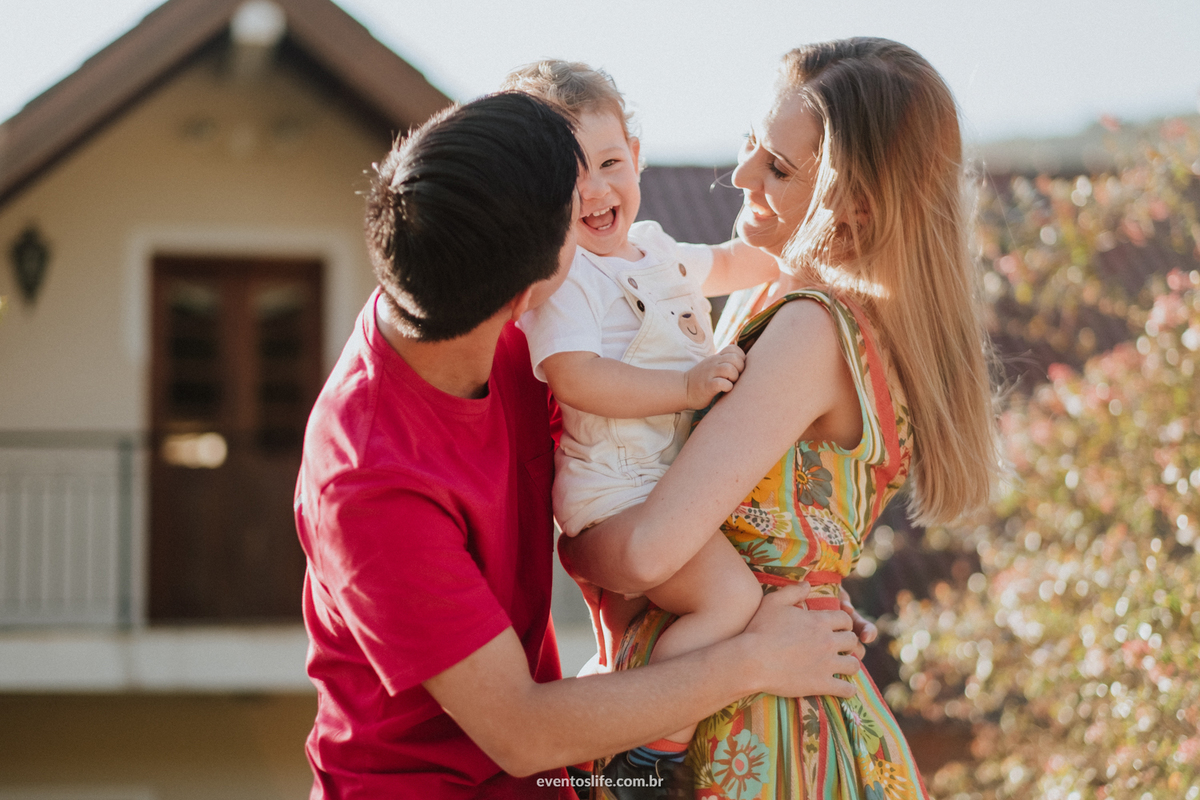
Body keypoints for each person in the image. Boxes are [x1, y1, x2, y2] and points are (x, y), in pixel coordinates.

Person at [294, 91, 871, 800]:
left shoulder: (465, 297)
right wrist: (755, 658)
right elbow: (520, 731)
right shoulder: (372, 484)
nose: (599, 206)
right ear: (536, 290)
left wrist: (789, 580)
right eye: (575, 208)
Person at [560, 38, 1000, 800]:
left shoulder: (810, 328)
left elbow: (650, 551)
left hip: (753, 731)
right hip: (764, 693)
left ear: (855, 207)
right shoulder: (797, 308)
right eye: (750, 145)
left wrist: (570, 539)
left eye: (779, 168)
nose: (740, 177)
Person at [503, 60, 781, 775]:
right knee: (731, 598)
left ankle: (617, 699)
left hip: (663, 488)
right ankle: (650, 744)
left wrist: (800, 258)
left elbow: (728, 263)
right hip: (616, 495)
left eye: (609, 163)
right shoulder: (566, 278)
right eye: (569, 179)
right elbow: (577, 378)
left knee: (692, 608)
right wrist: (685, 387)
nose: (596, 190)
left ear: (636, 155)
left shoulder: (655, 248)